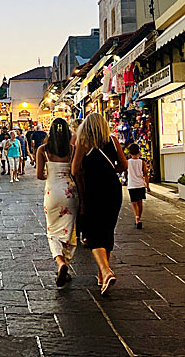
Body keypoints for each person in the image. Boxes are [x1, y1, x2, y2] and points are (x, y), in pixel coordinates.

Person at [72, 112, 127, 295]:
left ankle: (106, 271)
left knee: (94, 233)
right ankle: (101, 275)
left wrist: (84, 182)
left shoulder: (83, 143)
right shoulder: (112, 140)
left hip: (93, 190)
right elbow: (123, 165)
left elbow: (75, 169)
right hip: (113, 189)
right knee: (107, 230)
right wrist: (110, 171)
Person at [36, 119, 79, 288]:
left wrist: (52, 176)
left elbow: (40, 175)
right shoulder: (72, 149)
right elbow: (76, 172)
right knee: (69, 230)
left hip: (52, 193)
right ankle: (66, 262)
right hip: (70, 192)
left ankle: (60, 262)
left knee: (52, 230)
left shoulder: (43, 150)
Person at [126, 143, 150, 229]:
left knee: (134, 203)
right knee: (140, 203)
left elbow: (125, 173)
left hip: (132, 185)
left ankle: (136, 218)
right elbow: (146, 174)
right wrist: (147, 186)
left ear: (129, 153)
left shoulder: (127, 162)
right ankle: (139, 218)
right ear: (139, 152)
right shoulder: (142, 162)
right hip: (140, 184)